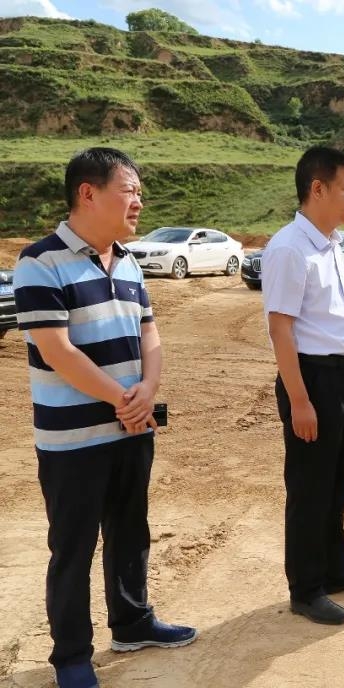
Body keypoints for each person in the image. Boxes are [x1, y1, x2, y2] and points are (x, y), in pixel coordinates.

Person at [13, 148, 196, 688]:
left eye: (139, 192)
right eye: (130, 190)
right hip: (73, 441)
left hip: (132, 428)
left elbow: (150, 335)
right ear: (88, 193)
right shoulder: (39, 261)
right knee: (72, 547)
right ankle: (72, 656)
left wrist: (147, 390)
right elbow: (56, 350)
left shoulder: (130, 261)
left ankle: (132, 621)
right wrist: (124, 397)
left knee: (130, 531)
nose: (139, 201)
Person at [262, 146, 344, 626]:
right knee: (310, 487)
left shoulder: (330, 244)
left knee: (337, 482)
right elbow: (281, 329)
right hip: (313, 379)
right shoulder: (290, 248)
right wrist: (299, 400)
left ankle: (335, 566)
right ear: (318, 188)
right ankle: (306, 587)